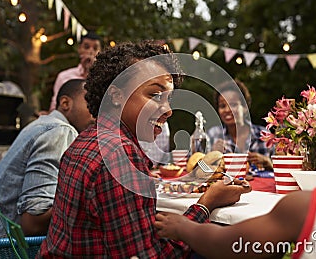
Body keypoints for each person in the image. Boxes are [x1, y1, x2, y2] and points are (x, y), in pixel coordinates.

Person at [37, 41, 252, 258]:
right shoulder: (119, 155)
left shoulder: (89, 138)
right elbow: (151, 256)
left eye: (168, 99)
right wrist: (207, 204)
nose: (168, 111)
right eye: (155, 95)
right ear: (116, 95)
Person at [154, 50, 316, 258]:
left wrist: (184, 227)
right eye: (222, 105)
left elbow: (230, 244)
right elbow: (202, 166)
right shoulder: (213, 136)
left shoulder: (262, 137)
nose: (228, 109)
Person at [0, 79, 94, 238]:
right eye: (90, 104)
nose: (96, 113)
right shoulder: (60, 131)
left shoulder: (43, 124)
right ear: (65, 103)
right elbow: (34, 223)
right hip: (2, 246)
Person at [208, 80, 273, 170]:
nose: (227, 110)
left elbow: (283, 168)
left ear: (245, 107)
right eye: (222, 106)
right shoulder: (213, 134)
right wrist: (212, 156)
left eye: (233, 104)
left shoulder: (264, 134)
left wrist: (268, 163)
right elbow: (194, 166)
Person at [49, 32, 102, 111]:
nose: (91, 52)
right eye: (86, 47)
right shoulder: (64, 76)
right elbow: (54, 107)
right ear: (79, 49)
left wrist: (91, 71)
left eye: (95, 48)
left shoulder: (102, 78)